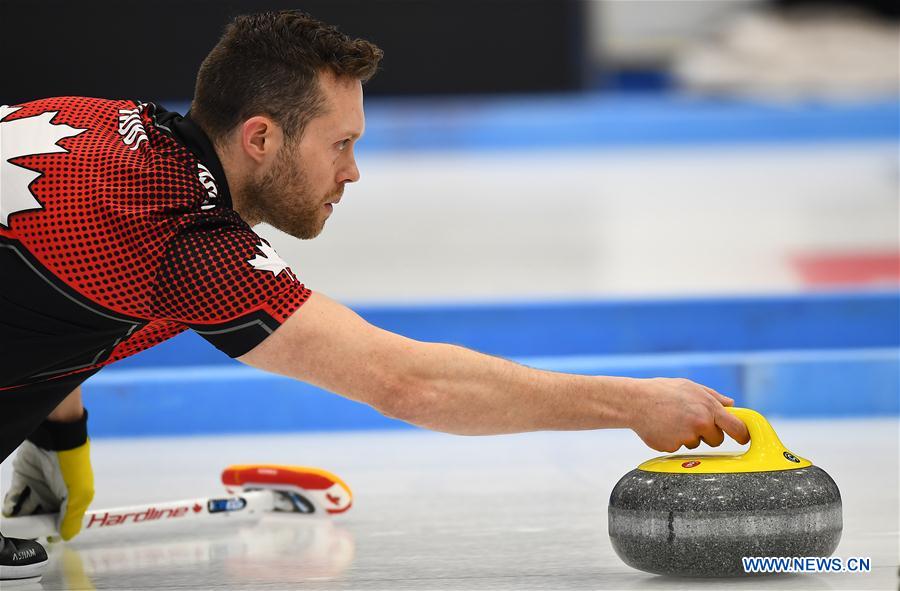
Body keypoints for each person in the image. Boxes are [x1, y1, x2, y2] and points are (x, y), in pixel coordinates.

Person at [0, 10, 750, 582]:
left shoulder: (90, 120)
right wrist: (633, 403)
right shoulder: (188, 241)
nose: (353, 171)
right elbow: (408, 382)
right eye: (341, 143)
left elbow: (56, 276)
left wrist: (55, 428)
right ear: (260, 138)